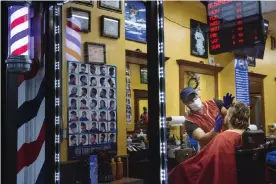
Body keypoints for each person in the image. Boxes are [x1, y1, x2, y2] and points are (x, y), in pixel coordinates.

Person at [168, 102, 250, 184]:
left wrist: (178, 170)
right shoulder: (251, 136)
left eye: (227, 114)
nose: (224, 116)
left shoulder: (223, 139)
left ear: (230, 117)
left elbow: (202, 165)